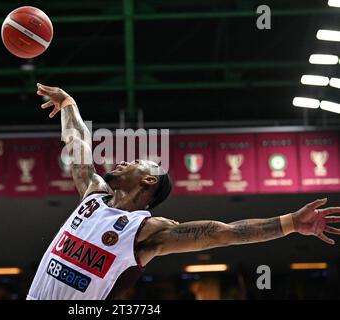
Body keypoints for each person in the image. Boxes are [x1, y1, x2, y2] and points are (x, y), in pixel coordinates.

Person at [27, 83, 340, 300]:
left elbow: (224, 233)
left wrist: (291, 223)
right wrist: (68, 104)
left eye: (135, 162)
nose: (122, 161)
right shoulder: (93, 195)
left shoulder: (146, 232)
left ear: (149, 181)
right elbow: (78, 141)